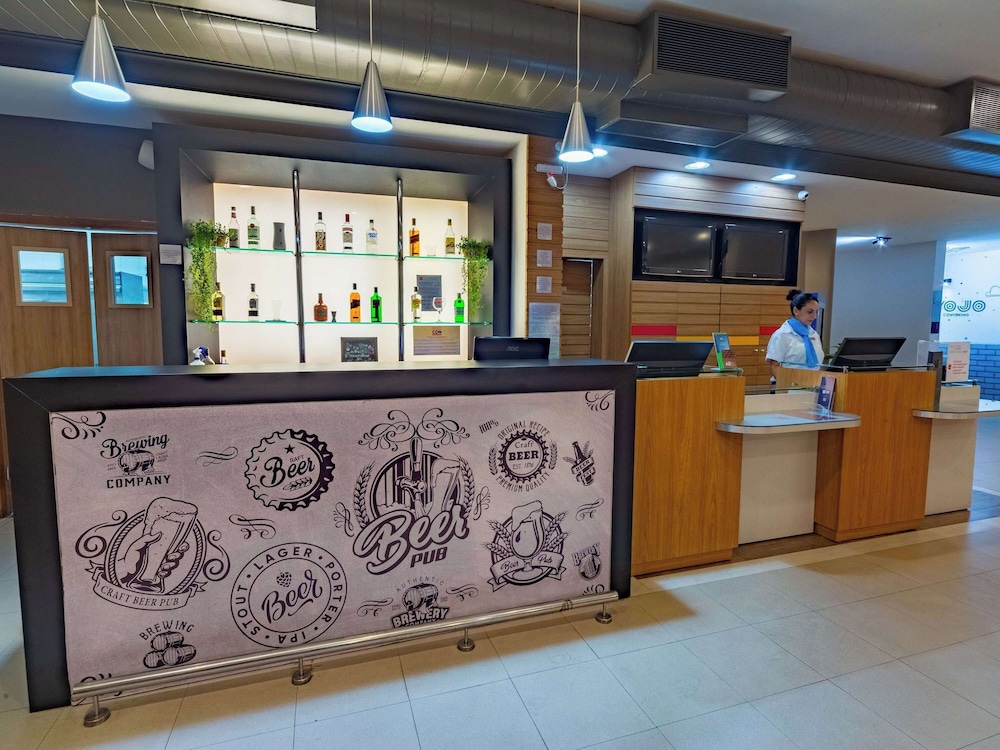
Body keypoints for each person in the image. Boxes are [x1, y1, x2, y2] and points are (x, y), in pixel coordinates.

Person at [766, 289, 824, 380]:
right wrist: (788, 384)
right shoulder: (782, 335)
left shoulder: (813, 334)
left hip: (811, 384)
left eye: (816, 312)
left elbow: (817, 366)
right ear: (796, 311)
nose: (814, 316)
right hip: (788, 385)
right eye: (810, 312)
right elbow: (774, 367)